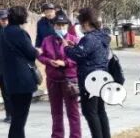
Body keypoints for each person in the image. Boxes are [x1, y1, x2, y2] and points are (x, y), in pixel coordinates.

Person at [64, 8, 111, 138]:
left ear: (86, 23)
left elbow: (78, 54)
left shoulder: (89, 38)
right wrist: (75, 46)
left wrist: (66, 48)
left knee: (90, 111)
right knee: (100, 110)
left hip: (91, 79)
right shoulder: (102, 36)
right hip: (103, 77)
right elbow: (87, 52)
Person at [38, 12, 81, 138]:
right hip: (53, 80)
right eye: (58, 25)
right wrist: (48, 61)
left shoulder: (74, 40)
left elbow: (79, 58)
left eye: (63, 25)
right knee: (56, 112)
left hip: (70, 80)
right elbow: (41, 56)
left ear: (67, 26)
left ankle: (76, 135)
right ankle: (57, 135)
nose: (61, 28)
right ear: (54, 26)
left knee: (73, 112)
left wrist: (65, 63)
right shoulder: (47, 40)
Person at [0, 6, 39, 138]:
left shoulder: (4, 32)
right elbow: (31, 53)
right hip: (23, 79)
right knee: (20, 118)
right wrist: (38, 51)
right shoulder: (20, 33)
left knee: (16, 116)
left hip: (10, 78)